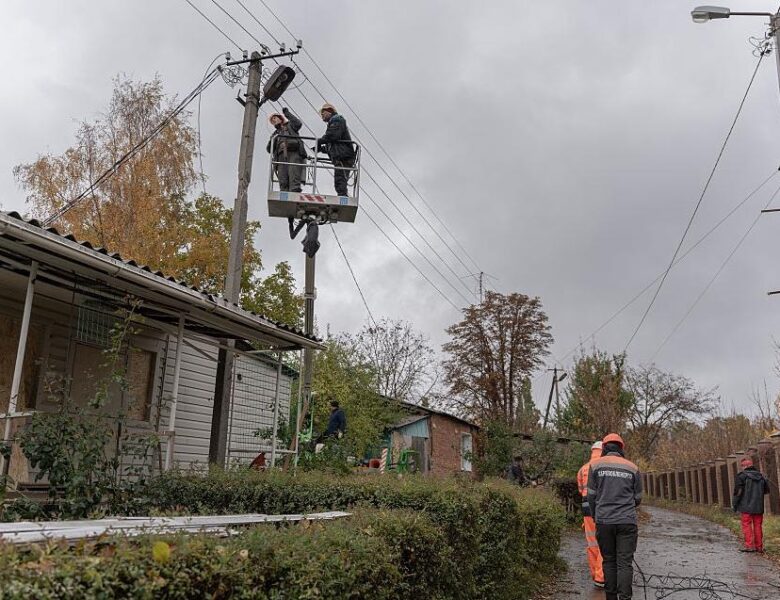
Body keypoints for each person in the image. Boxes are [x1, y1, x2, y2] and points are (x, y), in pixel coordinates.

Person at [587, 433, 642, 600]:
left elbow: (591, 496)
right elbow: (638, 498)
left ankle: (611, 597)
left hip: (604, 522)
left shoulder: (595, 466)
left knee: (609, 561)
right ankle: (625, 598)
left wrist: (597, 516)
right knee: (624, 562)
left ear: (604, 447)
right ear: (621, 448)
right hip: (627, 522)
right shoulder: (633, 468)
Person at [577, 441, 605, 589]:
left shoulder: (582, 469)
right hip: (601, 509)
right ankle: (601, 577)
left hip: (587, 510)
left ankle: (595, 574)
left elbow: (581, 490)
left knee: (592, 543)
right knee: (604, 543)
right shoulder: (604, 467)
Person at [316, 103, 355, 197]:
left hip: (344, 157)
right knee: (340, 180)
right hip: (343, 156)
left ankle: (343, 197)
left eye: (323, 113)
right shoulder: (334, 122)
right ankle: (342, 196)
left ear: (330, 111)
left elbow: (332, 136)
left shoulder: (337, 120)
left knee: (340, 180)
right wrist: (322, 149)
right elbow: (334, 144)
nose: (322, 116)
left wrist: (319, 141)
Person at [732, 456, 770, 553]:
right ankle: (759, 547)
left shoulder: (741, 476)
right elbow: (766, 491)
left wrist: (735, 505)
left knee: (746, 525)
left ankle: (749, 546)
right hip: (758, 506)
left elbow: (738, 493)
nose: (742, 468)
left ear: (745, 466)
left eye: (742, 466)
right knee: (758, 525)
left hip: (745, 507)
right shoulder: (761, 476)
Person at [266, 107, 306, 192]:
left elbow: (298, 123)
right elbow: (269, 149)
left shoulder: (290, 126)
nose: (274, 120)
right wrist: (272, 139)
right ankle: (284, 194)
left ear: (280, 119)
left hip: (293, 153)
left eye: (275, 118)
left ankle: (294, 192)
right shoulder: (275, 135)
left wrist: (287, 113)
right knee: (283, 180)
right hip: (280, 157)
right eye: (272, 120)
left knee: (294, 175)